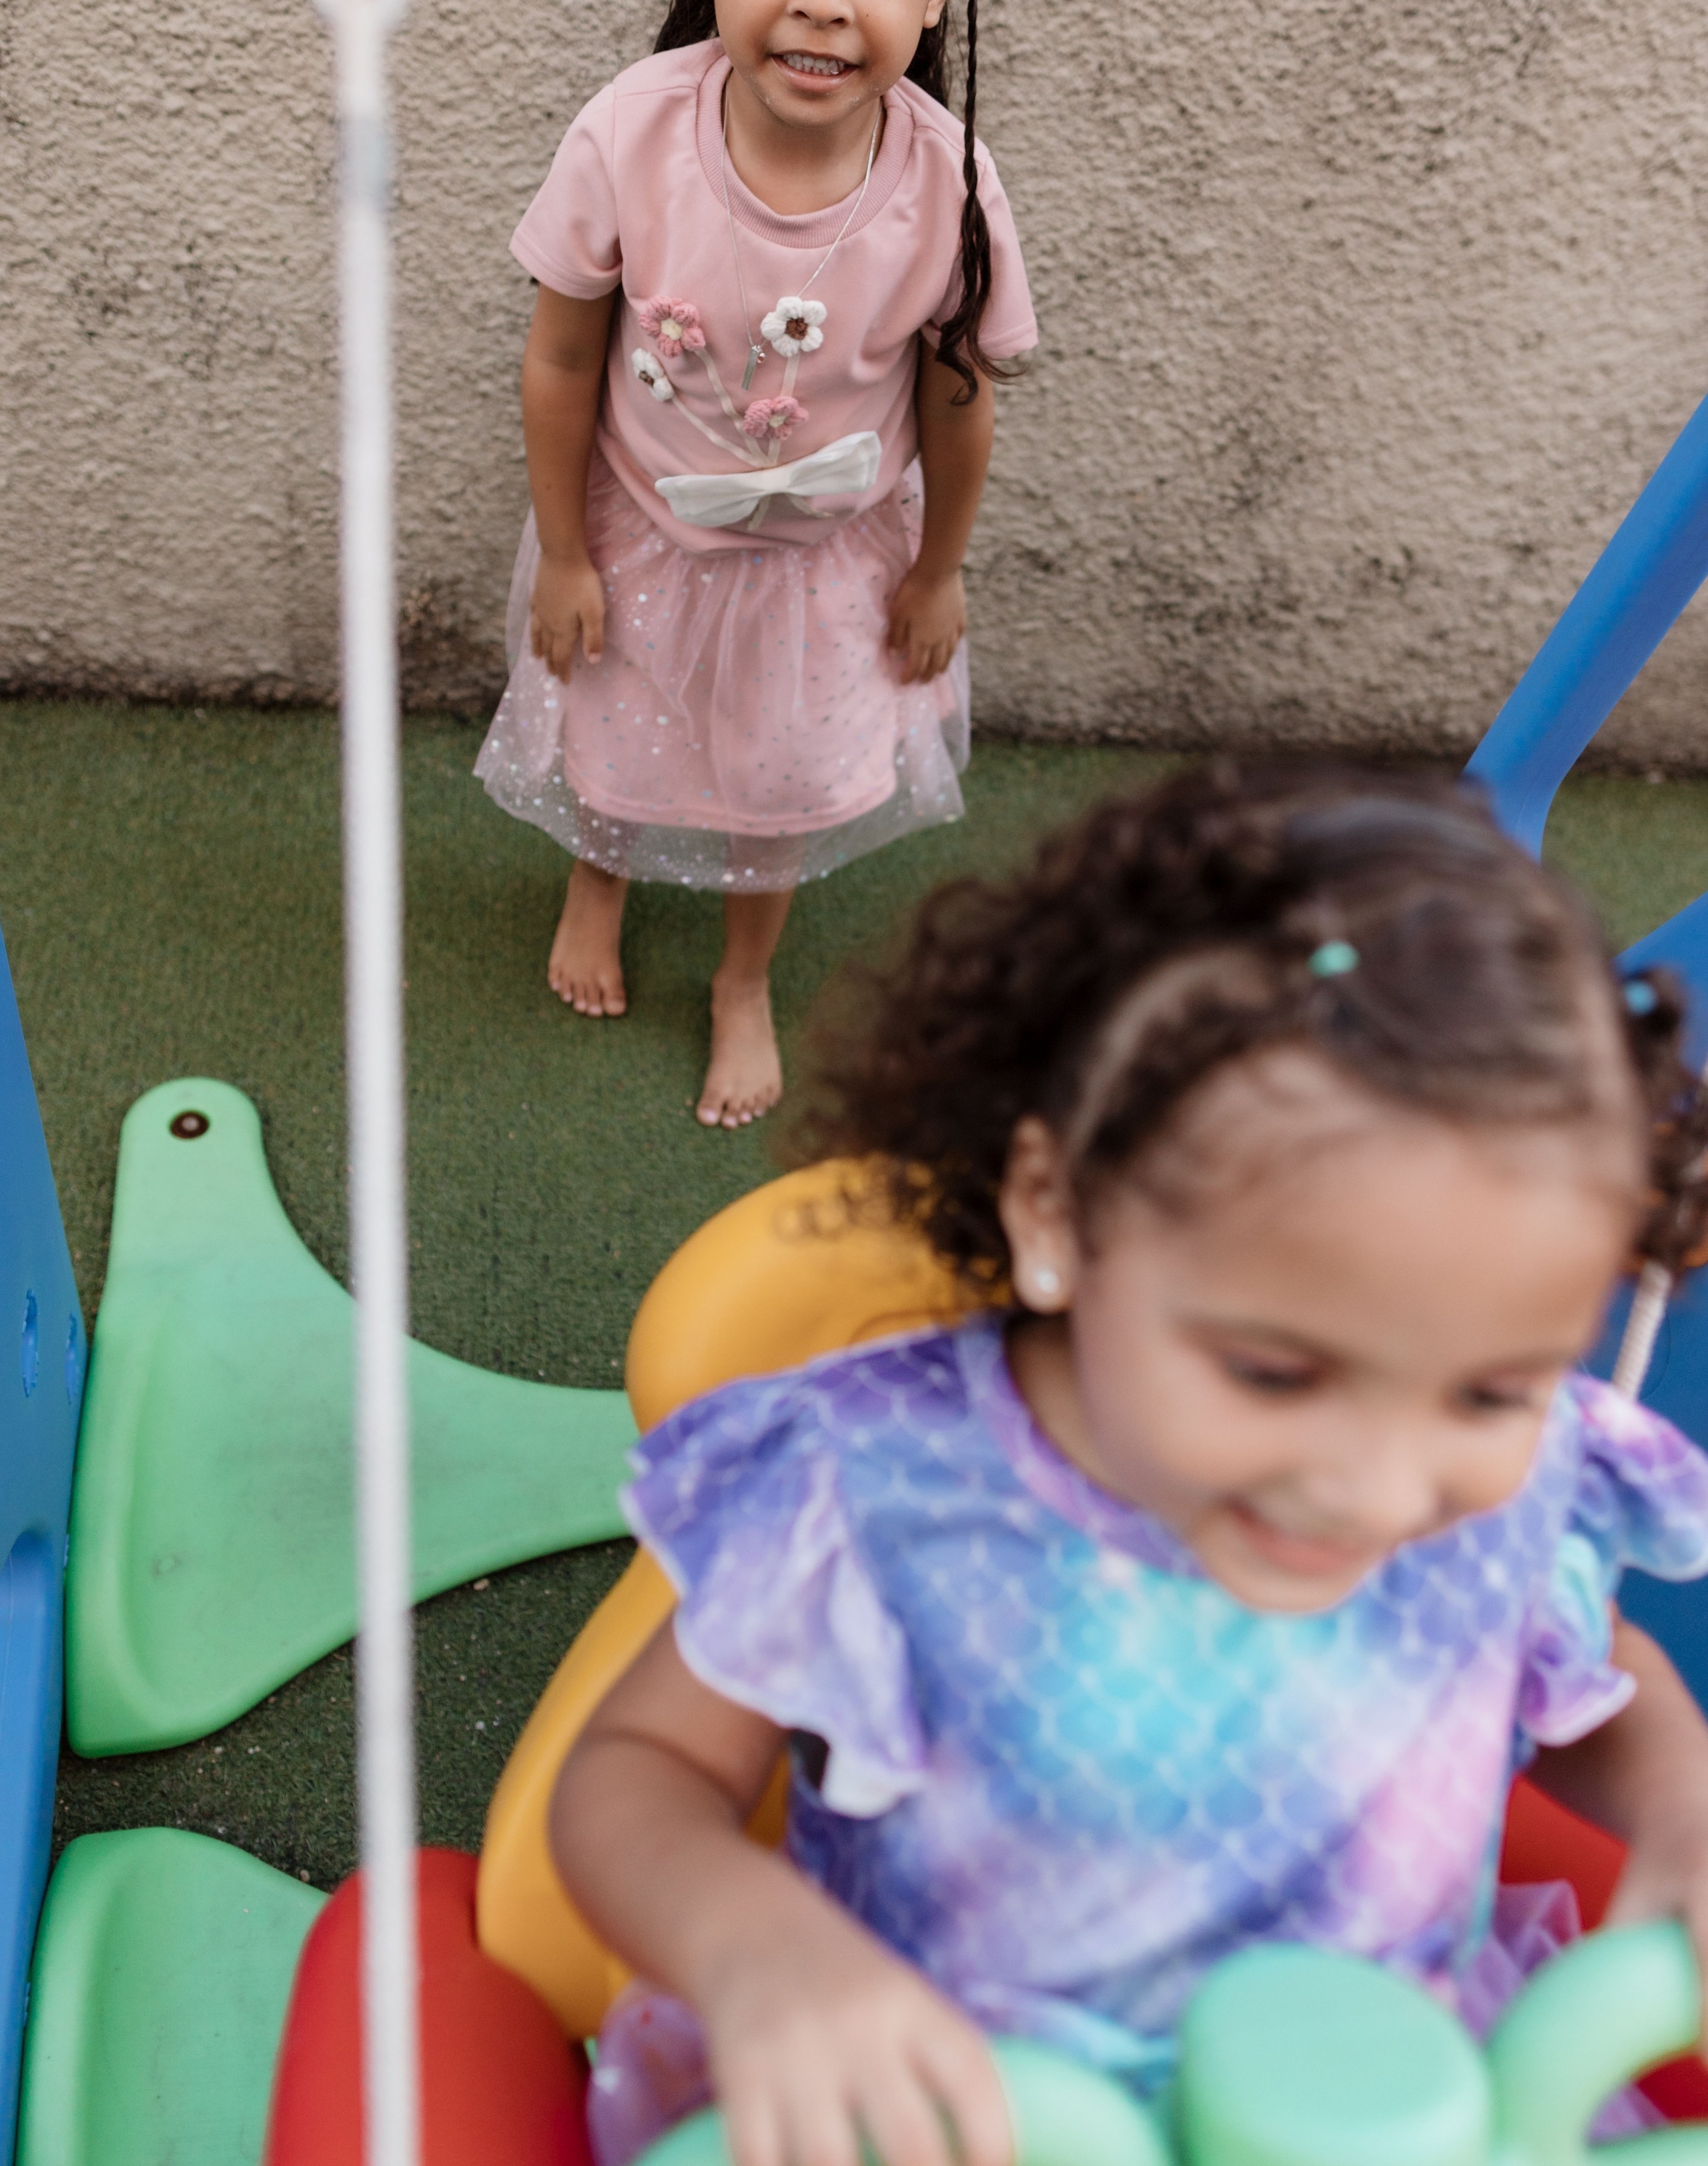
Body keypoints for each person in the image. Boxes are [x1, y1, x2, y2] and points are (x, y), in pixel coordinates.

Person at [551, 761, 1708, 2166]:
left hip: (1391, 2115)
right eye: (1273, 1371)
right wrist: (758, 1949)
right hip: (962, 2116)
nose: (1376, 1490)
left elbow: (1589, 1685)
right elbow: (637, 1771)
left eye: (1490, 1388)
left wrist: (1681, 1801)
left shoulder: (1526, 1482)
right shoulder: (879, 1487)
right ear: (1054, 1208)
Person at [475, 0, 1035, 1129]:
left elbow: (957, 401)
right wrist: (565, 550)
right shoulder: (628, 134)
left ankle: (740, 975)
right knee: (613, 724)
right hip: (635, 529)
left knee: (775, 788)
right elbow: (557, 359)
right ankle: (597, 870)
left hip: (825, 572)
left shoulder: (947, 190)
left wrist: (938, 569)